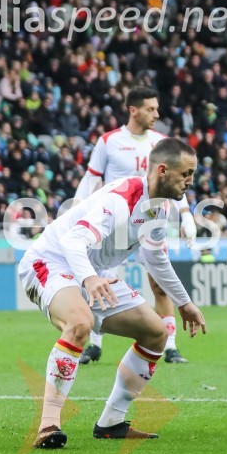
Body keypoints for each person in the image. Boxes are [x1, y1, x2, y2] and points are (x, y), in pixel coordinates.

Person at [19, 137, 206, 449]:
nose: (190, 181)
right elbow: (73, 241)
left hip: (92, 270)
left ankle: (111, 422)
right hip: (50, 262)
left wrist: (184, 303)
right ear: (162, 170)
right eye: (186, 173)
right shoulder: (121, 199)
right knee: (79, 323)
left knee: (156, 333)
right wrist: (90, 280)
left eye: (192, 174)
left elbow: (155, 258)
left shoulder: (159, 210)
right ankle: (48, 424)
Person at [74, 86, 198, 364]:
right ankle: (94, 344)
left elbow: (175, 182)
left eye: (156, 108)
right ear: (133, 110)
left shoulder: (162, 142)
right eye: (151, 108)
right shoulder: (109, 141)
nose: (157, 113)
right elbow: (92, 178)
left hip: (151, 218)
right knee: (103, 279)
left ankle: (170, 345)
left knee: (158, 281)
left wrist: (186, 214)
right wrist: (78, 207)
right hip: (113, 221)